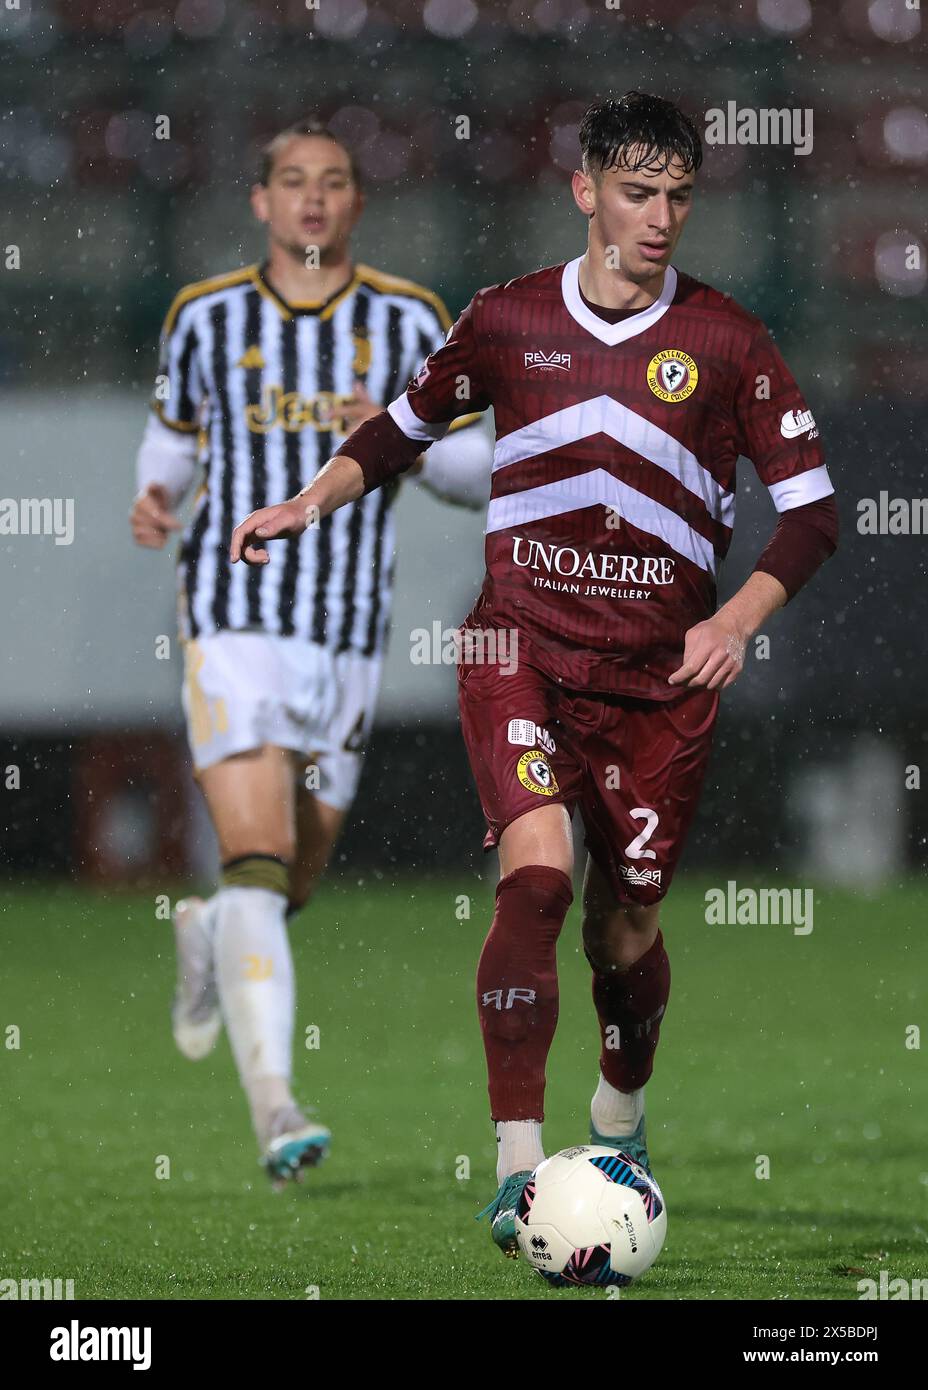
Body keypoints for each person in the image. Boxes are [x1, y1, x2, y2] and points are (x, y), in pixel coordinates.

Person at [229, 92, 838, 1241]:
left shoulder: (729, 341)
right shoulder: (508, 319)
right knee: (539, 878)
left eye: (676, 196)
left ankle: (617, 1118)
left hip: (660, 687)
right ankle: (516, 1164)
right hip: (519, 648)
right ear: (584, 191)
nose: (658, 217)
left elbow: (811, 515)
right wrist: (310, 500)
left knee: (624, 932)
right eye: (635, 192)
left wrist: (739, 618)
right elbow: (401, 427)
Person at [130, 118, 492, 1185]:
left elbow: (481, 468)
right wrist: (155, 497)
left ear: (356, 203)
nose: (313, 200)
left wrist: (402, 440)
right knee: (253, 852)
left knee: (290, 878)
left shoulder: (411, 319)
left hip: (345, 632)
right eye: (292, 181)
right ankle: (276, 1106)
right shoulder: (203, 317)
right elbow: (172, 440)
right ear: (260, 202)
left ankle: (210, 932)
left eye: (333, 181)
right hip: (231, 613)